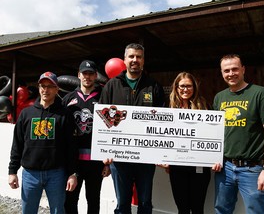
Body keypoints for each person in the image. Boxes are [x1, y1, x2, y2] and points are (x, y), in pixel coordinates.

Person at [212, 54, 264, 214]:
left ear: (243, 69)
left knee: (257, 211)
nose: (231, 73)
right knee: (221, 209)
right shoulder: (219, 97)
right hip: (225, 168)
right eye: (226, 70)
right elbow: (215, 133)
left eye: (235, 69)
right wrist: (214, 158)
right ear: (222, 73)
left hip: (252, 169)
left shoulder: (260, 93)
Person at [99, 43, 165, 214]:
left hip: (145, 157)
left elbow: (163, 122)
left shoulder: (154, 86)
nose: (135, 60)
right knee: (122, 203)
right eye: (131, 56)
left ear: (143, 61)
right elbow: (102, 120)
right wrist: (104, 150)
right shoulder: (111, 85)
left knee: (145, 202)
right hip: (119, 158)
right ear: (124, 60)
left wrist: (161, 152)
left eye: (139, 57)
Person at [8, 71, 78, 214]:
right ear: (39, 88)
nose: (45, 90)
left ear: (56, 89)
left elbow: (71, 146)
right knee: (28, 211)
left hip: (56, 174)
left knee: (58, 211)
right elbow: (17, 144)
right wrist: (12, 171)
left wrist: (72, 173)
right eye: (42, 86)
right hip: (30, 174)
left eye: (50, 86)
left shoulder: (64, 114)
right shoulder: (26, 114)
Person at [63, 60, 109, 214]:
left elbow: (112, 130)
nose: (87, 77)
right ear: (79, 75)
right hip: (72, 161)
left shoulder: (104, 97)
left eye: (91, 74)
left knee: (93, 200)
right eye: (84, 74)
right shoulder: (68, 98)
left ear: (96, 76)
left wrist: (107, 162)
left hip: (95, 162)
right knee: (70, 200)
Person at [167, 72, 211, 214]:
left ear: (194, 87)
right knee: (182, 209)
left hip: (200, 167)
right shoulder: (168, 108)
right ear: (176, 87)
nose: (185, 89)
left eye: (189, 86)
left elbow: (212, 135)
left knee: (198, 208)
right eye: (182, 86)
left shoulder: (204, 106)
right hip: (177, 167)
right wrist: (163, 158)